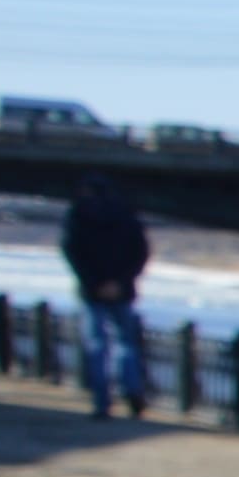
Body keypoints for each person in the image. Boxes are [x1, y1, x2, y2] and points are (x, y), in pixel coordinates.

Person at [61, 178, 148, 420]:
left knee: (97, 344)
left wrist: (94, 282)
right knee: (125, 344)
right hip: (122, 290)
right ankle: (132, 391)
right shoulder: (127, 215)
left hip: (92, 291)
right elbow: (139, 252)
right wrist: (120, 281)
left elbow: (73, 252)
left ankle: (102, 401)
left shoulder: (79, 215)